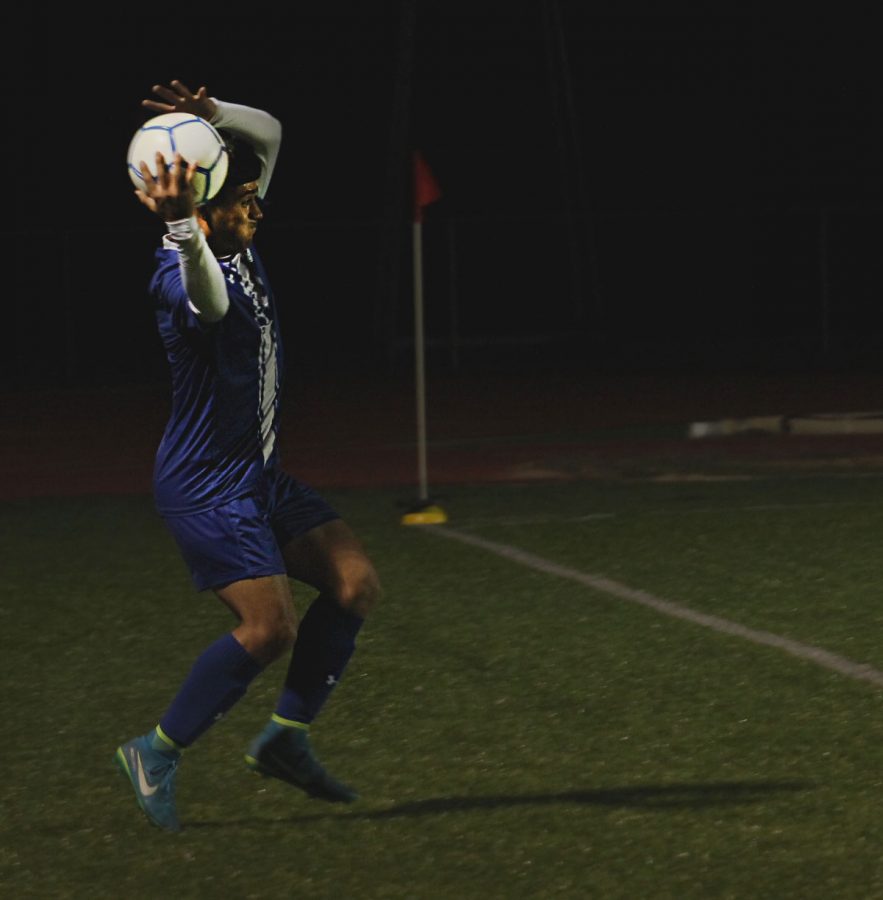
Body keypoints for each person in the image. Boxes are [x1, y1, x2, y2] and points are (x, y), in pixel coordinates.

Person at [115, 80, 381, 833]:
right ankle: (154, 751)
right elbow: (212, 302)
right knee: (269, 629)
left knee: (355, 583)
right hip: (205, 486)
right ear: (202, 208)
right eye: (242, 202)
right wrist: (182, 231)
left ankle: (285, 741)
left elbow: (270, 131)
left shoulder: (230, 229)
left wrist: (213, 119)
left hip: (256, 475)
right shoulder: (184, 268)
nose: (257, 208)